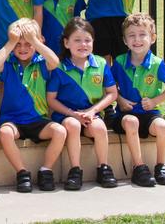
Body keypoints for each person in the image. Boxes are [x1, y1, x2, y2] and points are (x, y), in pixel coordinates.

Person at [0, 18, 65, 193]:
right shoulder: (8, 64)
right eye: (18, 44)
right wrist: (11, 41)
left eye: (27, 44)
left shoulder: (42, 62)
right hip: (13, 120)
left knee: (60, 131)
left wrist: (35, 41)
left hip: (38, 120)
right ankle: (22, 172)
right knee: (5, 133)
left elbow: (55, 61)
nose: (22, 48)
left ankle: (46, 170)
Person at [46, 17, 118, 190]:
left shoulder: (100, 63)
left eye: (87, 40)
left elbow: (112, 93)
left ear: (93, 42)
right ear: (66, 42)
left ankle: (104, 167)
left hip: (90, 114)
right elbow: (51, 99)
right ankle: (75, 170)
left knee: (100, 128)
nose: (83, 44)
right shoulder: (59, 67)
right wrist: (72, 114)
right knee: (73, 125)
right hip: (66, 115)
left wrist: (93, 111)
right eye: (77, 40)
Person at [111, 13, 165, 186]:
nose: (137, 40)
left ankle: (161, 166)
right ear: (124, 40)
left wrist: (155, 102)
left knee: (162, 126)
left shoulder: (157, 64)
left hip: (149, 114)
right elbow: (107, 87)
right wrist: (120, 99)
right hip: (125, 115)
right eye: (131, 35)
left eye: (142, 35)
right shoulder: (119, 62)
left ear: (152, 38)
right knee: (131, 122)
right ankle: (139, 168)